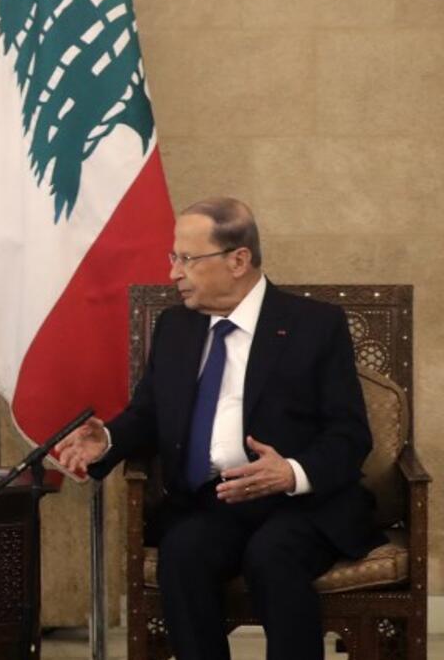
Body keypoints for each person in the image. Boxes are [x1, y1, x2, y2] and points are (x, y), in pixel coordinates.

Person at [55, 197, 384, 660]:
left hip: (303, 503)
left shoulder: (314, 326)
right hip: (216, 502)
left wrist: (291, 472)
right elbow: (149, 413)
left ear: (238, 260)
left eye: (187, 259)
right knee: (183, 552)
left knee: (274, 556)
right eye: (174, 258)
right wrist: (106, 439)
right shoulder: (176, 327)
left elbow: (351, 433)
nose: (173, 272)